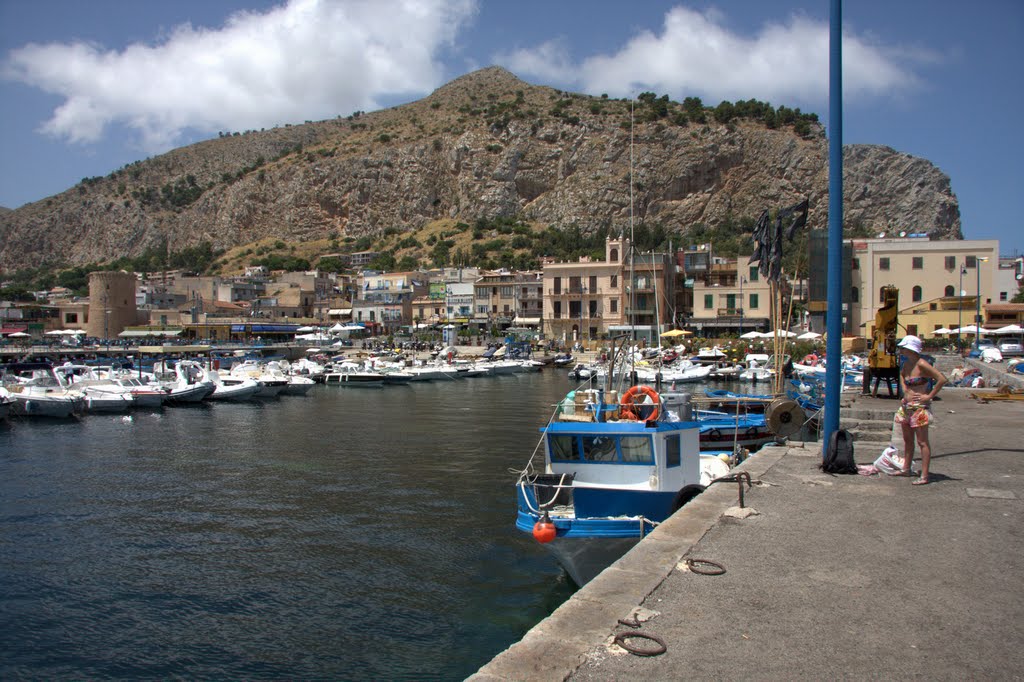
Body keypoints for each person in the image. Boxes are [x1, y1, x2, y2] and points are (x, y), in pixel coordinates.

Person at [894, 335, 947, 485]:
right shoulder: (906, 365)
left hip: (919, 408)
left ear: (910, 349)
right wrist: (905, 390)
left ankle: (924, 475)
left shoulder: (922, 364)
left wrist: (928, 396)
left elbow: (941, 379)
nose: (902, 350)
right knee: (908, 440)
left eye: (903, 348)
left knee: (922, 442)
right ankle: (906, 468)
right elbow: (902, 376)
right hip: (906, 407)